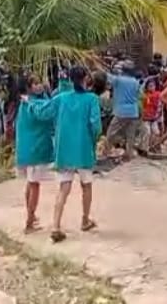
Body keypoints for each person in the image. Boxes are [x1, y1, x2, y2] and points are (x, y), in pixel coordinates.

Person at [50, 66, 102, 243]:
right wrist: (94, 139)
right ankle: (85, 220)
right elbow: (96, 125)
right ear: (85, 78)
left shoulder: (61, 98)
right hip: (84, 149)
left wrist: (29, 102)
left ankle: (56, 226)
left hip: (64, 149)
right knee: (86, 185)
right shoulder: (92, 99)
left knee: (64, 188)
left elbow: (45, 110)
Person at [15, 75, 54, 234]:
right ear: (29, 87)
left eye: (40, 82)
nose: (40, 86)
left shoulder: (27, 102)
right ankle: (29, 222)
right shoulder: (32, 104)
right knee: (34, 185)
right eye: (35, 83)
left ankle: (31, 216)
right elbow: (47, 112)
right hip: (35, 150)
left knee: (30, 183)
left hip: (27, 150)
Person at [106, 61, 143, 162]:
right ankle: (128, 154)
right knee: (130, 135)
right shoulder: (135, 82)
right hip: (133, 111)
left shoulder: (118, 80)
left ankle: (107, 150)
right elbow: (139, 95)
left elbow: (106, 76)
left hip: (121, 111)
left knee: (111, 132)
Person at [142, 78, 163, 153]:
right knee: (147, 132)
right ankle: (145, 148)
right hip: (145, 117)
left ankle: (154, 147)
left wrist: (158, 115)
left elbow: (160, 105)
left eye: (153, 86)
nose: (151, 87)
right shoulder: (144, 96)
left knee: (156, 132)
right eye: (150, 86)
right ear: (147, 87)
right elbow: (142, 106)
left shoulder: (158, 94)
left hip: (154, 117)